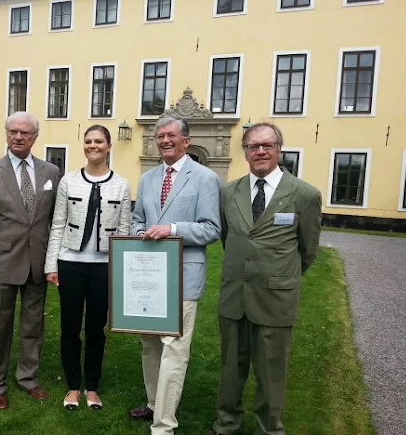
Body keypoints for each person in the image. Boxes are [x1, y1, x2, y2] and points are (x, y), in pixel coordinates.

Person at [207, 123, 322, 435]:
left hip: (276, 298)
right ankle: (226, 424)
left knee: (271, 371)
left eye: (267, 145)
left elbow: (307, 250)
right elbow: (230, 239)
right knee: (231, 368)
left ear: (278, 149)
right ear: (244, 152)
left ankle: (269, 429)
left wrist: (278, 275)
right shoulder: (229, 192)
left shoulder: (304, 195)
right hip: (234, 296)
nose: (260, 151)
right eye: (253, 146)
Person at [128, 116, 222, 434]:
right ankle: (155, 403)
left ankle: (164, 425)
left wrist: (171, 229)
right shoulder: (148, 178)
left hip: (183, 277)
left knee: (174, 349)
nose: (165, 140)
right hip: (150, 277)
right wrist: (139, 233)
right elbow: (137, 219)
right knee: (150, 344)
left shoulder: (205, 178)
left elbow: (212, 229)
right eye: (160, 136)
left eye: (171, 135)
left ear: (185, 140)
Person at [0, 111, 60, 410]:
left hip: (37, 262)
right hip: (2, 263)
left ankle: (28, 378)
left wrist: (53, 263)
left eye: (25, 133)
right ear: (5, 134)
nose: (18, 137)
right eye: (13, 132)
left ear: (35, 137)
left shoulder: (50, 172)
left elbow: (53, 220)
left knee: (32, 326)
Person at [44, 125, 131, 411]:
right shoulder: (68, 181)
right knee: (70, 328)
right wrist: (51, 265)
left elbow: (124, 230)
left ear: (108, 146)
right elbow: (57, 223)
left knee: (96, 329)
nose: (93, 146)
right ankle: (72, 386)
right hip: (70, 264)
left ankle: (92, 387)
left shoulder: (121, 184)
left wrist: (120, 270)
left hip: (103, 267)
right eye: (88, 141)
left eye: (99, 141)